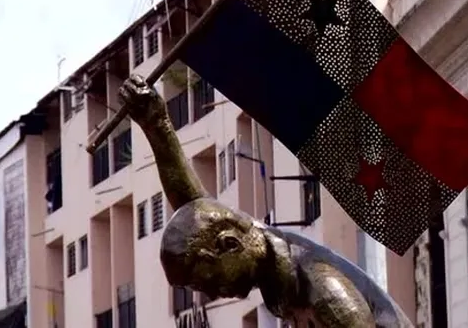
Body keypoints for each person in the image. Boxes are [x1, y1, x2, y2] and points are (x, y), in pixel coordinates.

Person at [119, 74, 414, 327]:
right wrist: (156, 125)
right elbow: (195, 210)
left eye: (207, 282)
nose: (211, 294)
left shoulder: (325, 292)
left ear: (230, 246)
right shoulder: (276, 267)